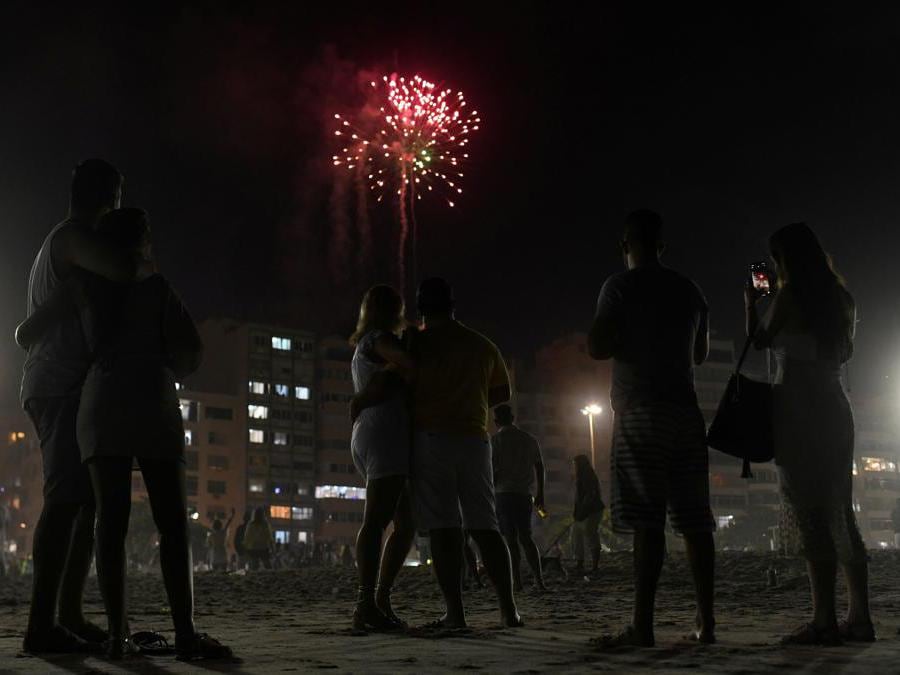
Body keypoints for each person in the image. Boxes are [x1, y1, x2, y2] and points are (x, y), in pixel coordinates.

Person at [21, 208, 231, 659]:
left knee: (108, 523)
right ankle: (187, 635)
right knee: (172, 523)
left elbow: (31, 333)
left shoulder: (82, 287)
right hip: (151, 395)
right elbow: (191, 353)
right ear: (144, 242)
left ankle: (117, 635)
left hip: (99, 398)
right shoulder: (156, 287)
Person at [18, 160, 154, 654]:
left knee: (83, 503)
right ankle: (41, 625)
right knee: (64, 501)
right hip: (57, 383)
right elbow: (124, 269)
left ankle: (67, 614)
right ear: (109, 198)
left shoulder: (64, 243)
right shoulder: (72, 238)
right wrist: (139, 255)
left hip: (60, 382)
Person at [588, 209, 716, 647]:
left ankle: (643, 624)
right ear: (662, 246)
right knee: (696, 520)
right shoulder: (691, 289)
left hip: (640, 409)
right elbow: (698, 355)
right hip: (686, 411)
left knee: (648, 520)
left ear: (626, 246)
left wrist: (633, 335)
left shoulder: (619, 286)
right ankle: (707, 622)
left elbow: (597, 346)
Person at [746, 222, 872, 645]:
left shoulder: (789, 296)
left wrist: (752, 302)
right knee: (840, 508)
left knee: (808, 512)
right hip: (836, 405)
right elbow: (847, 351)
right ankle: (860, 617)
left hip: (799, 407)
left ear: (785, 260)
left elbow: (759, 340)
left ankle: (823, 619)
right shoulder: (844, 300)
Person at [410, 278, 522, 629]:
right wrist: (471, 401)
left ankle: (455, 613)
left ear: (421, 309)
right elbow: (502, 393)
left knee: (445, 529)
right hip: (475, 439)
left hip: (432, 440)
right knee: (485, 526)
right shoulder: (483, 345)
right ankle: (508, 610)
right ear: (453, 306)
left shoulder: (417, 344)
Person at [346, 285, 416, 630]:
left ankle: (378, 599)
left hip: (371, 432)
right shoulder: (376, 340)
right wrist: (400, 367)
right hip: (384, 433)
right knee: (377, 521)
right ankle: (366, 604)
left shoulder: (365, 344)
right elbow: (407, 363)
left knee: (405, 522)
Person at [491, 404, 546, 590]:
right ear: (513, 418)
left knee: (511, 541)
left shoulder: (496, 440)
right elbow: (539, 467)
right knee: (526, 538)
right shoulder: (529, 439)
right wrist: (541, 494)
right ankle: (539, 581)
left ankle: (517, 583)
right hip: (524, 494)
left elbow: (493, 471)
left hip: (503, 495)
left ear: (496, 421)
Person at [570, 454, 604, 576]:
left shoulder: (588, 477)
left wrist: (582, 511)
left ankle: (595, 565)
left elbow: (590, 496)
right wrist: (577, 513)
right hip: (583, 512)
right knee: (576, 533)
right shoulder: (580, 477)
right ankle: (580, 562)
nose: (573, 467)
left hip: (593, 511)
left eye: (575, 464)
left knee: (590, 533)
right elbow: (578, 499)